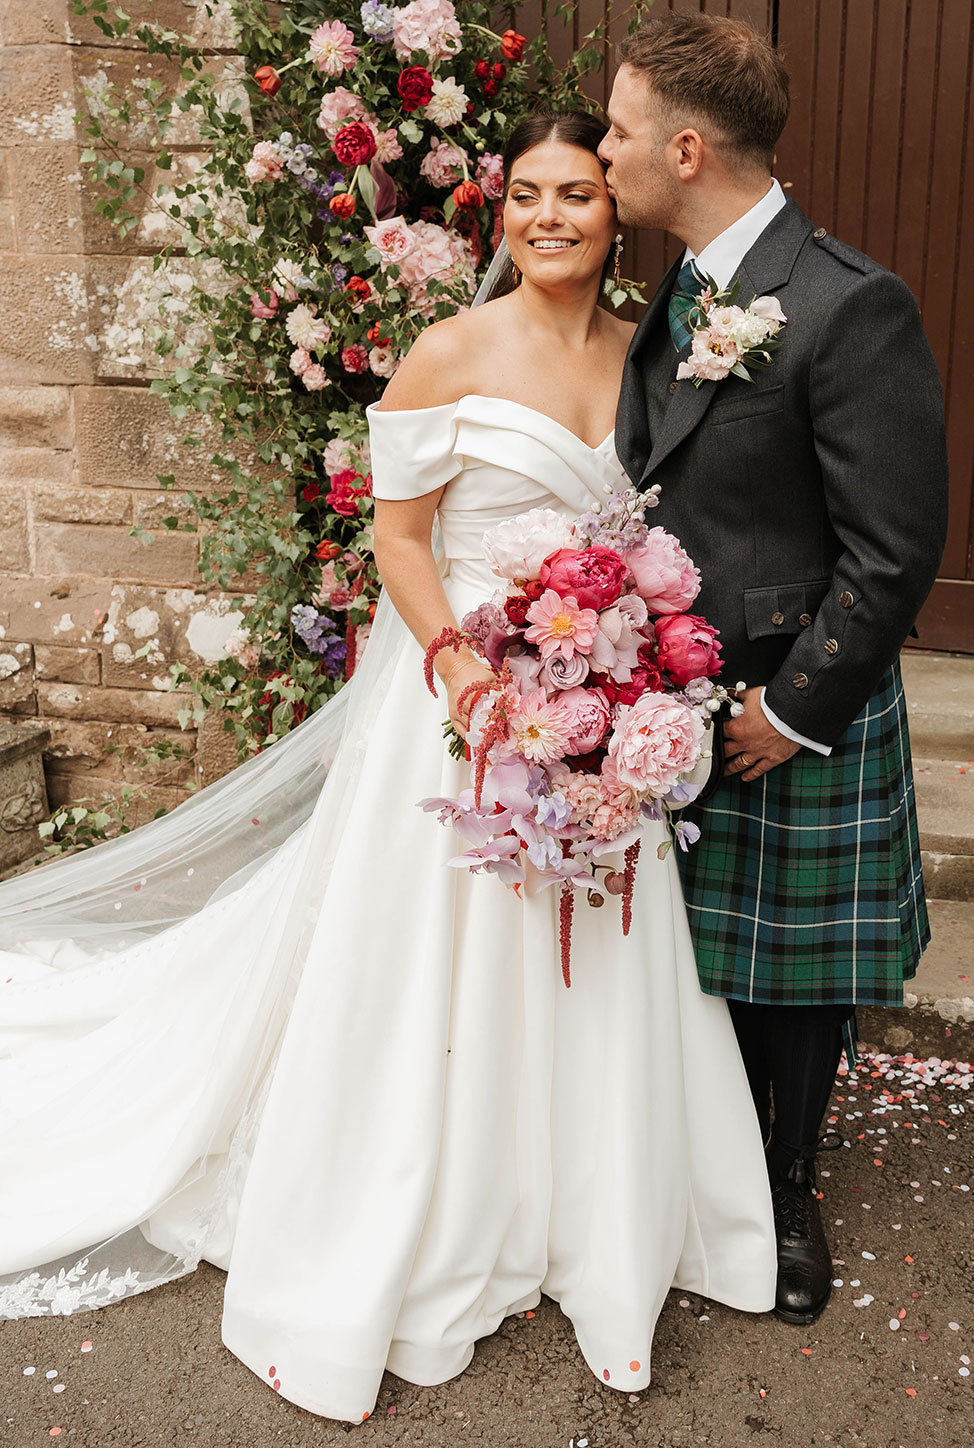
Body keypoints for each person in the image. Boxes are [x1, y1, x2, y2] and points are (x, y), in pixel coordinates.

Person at [0, 112, 776, 1422]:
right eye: (526, 194)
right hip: (467, 699)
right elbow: (401, 540)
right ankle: (443, 1198)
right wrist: (464, 669)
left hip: (593, 702)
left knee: (587, 945)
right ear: (502, 213)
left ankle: (582, 1211)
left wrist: (626, 664)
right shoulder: (446, 352)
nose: (548, 216)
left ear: (614, 212)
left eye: (576, 195)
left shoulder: (647, 360)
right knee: (443, 962)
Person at [602, 11, 950, 1326]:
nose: (609, 150)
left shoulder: (847, 303)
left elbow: (895, 549)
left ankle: (788, 1188)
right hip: (672, 691)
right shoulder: (681, 289)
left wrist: (792, 715)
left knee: (794, 973)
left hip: (786, 700)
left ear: (688, 148)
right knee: (697, 960)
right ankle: (702, 1161)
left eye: (625, 131)